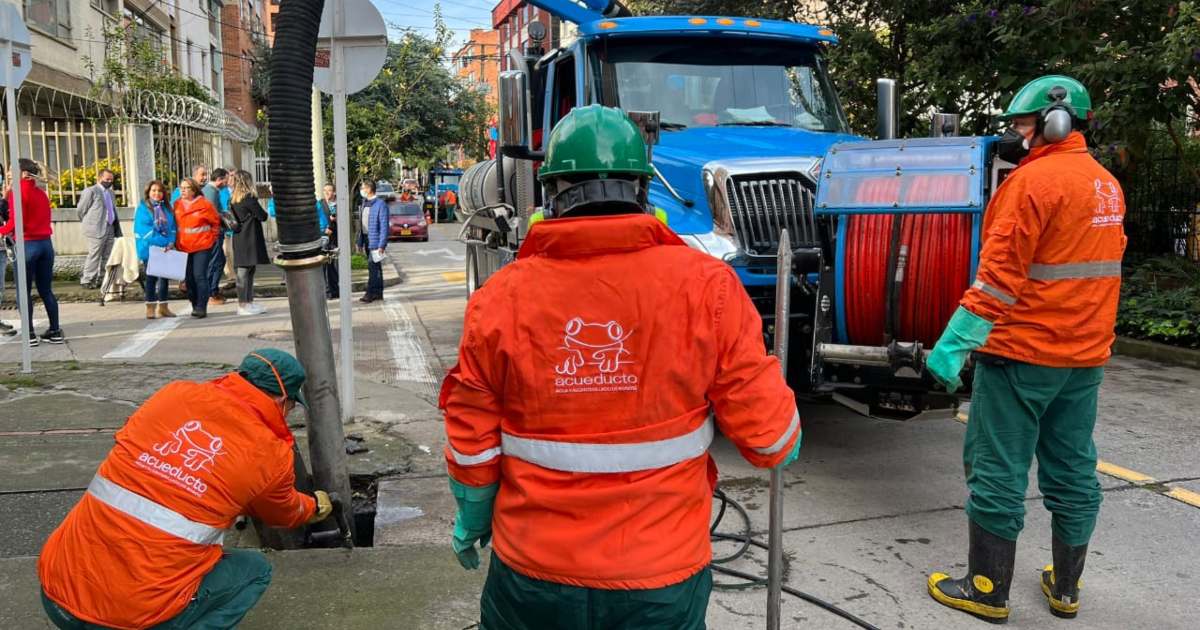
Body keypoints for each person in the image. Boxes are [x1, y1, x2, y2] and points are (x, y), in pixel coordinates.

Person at [441, 105, 802, 629]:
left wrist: (473, 516)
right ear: (642, 189)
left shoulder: (499, 299)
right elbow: (771, 441)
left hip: (533, 574)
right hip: (660, 577)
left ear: (550, 196)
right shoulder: (708, 288)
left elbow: (472, 440)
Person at [925, 76, 1127, 623]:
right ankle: (1066, 588)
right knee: (1073, 470)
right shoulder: (1106, 185)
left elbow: (998, 277)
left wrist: (954, 344)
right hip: (1083, 360)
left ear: (1056, 122)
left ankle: (987, 591)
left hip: (1021, 355)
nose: (1017, 134)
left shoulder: (1031, 183)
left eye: (1022, 124)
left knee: (997, 471)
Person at [38, 349, 334, 630]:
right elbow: (282, 511)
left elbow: (131, 436)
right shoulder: (269, 453)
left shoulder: (173, 394)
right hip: (131, 617)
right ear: (282, 400)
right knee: (256, 571)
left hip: (57, 593)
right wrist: (313, 507)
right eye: (292, 405)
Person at [1, 159, 63, 345]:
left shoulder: (17, 192)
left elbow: (15, 223)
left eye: (12, 170)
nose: (9, 173)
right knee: (46, 290)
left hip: (27, 245)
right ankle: (55, 330)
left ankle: (29, 334)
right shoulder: (41, 193)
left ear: (24, 173)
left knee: (23, 292)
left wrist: (2, 230)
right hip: (45, 245)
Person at [173, 177, 220, 319]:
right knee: (188, 279)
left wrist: (212, 239)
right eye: (181, 188)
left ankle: (201, 307)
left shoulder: (205, 205)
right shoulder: (177, 205)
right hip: (183, 246)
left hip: (202, 245)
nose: (183, 190)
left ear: (194, 190)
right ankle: (194, 303)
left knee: (199, 275)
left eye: (186, 188)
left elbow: (215, 223)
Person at [133, 180, 178, 320]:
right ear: (148, 192)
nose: (157, 193)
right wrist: (163, 243)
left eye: (159, 191)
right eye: (154, 190)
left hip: (165, 248)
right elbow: (145, 231)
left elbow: (172, 228)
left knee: (164, 279)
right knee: (151, 278)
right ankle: (150, 307)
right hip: (150, 248)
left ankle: (163, 307)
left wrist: (171, 242)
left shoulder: (167, 208)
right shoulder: (142, 209)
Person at [229, 170, 270, 316]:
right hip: (250, 237)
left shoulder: (232, 199)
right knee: (245, 272)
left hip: (239, 237)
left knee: (247, 270)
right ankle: (243, 304)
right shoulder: (249, 198)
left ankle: (248, 302)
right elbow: (263, 216)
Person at [76, 168, 119, 290]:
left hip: (110, 227)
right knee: (94, 254)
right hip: (95, 228)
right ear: (100, 178)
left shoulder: (111, 193)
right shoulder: (91, 191)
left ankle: (104, 279)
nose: (109, 182)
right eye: (107, 179)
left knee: (108, 255)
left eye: (111, 180)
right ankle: (87, 279)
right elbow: (81, 210)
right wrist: (90, 223)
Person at [358, 179, 388, 304]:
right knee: (376, 268)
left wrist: (382, 244)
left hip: (375, 241)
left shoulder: (380, 204)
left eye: (363, 188)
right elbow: (361, 225)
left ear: (369, 189)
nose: (362, 190)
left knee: (372, 267)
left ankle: (370, 293)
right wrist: (360, 242)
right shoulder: (364, 203)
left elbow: (384, 226)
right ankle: (378, 293)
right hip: (366, 238)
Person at [204, 168, 230, 307]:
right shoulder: (211, 192)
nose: (227, 182)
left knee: (219, 260)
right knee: (215, 262)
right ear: (219, 179)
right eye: (226, 179)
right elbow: (212, 215)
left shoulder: (212, 191)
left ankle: (213, 291)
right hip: (212, 234)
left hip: (214, 232)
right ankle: (210, 292)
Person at [317, 183, 339, 299]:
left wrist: (336, 219)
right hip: (323, 239)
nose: (326, 192)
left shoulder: (339, 204)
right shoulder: (320, 204)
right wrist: (323, 229)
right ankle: (326, 291)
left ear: (334, 192)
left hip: (335, 239)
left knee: (333, 266)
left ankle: (335, 290)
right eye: (325, 190)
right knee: (323, 266)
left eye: (329, 190)